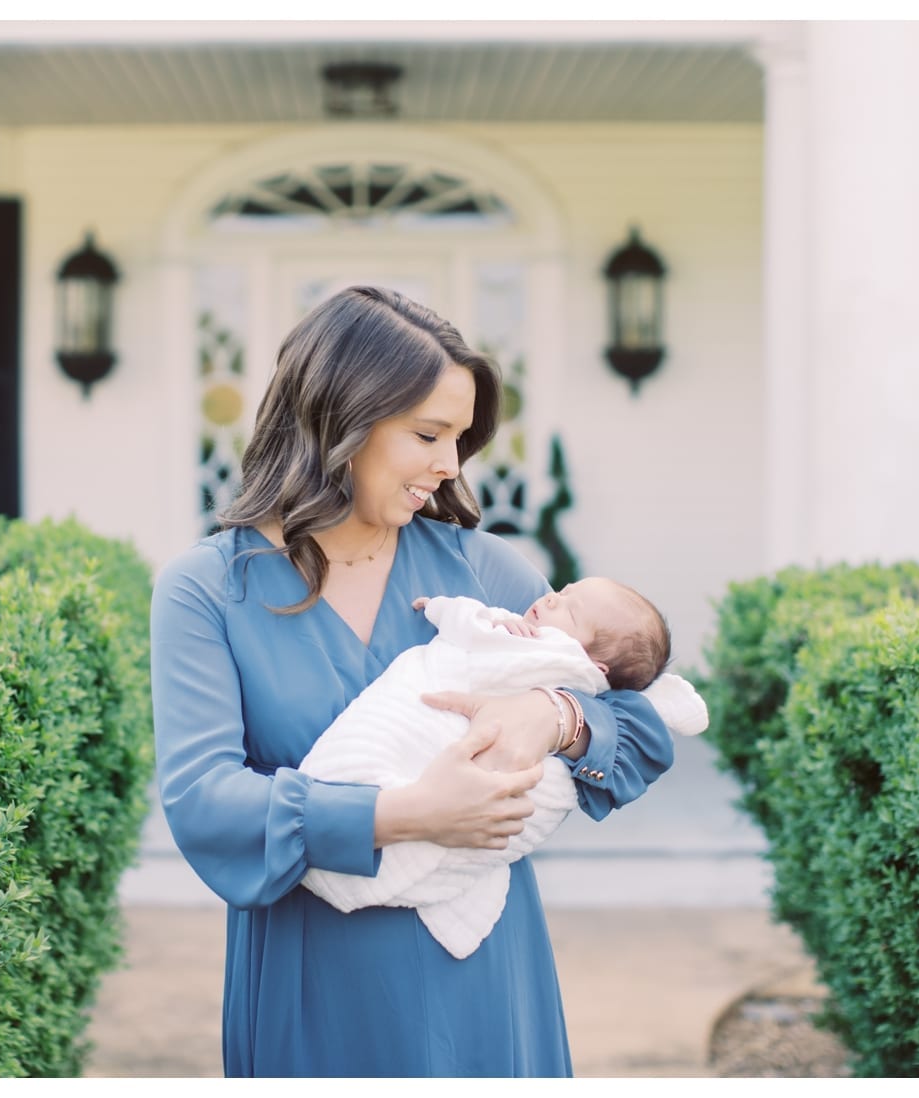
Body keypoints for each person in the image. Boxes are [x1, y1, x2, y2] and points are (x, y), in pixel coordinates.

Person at [150, 285, 675, 1078]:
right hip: (313, 983)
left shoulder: (486, 568)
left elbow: (637, 723)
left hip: (486, 976)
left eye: (461, 439)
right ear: (338, 418)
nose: (451, 465)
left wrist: (553, 715)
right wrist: (403, 813)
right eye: (428, 434)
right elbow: (204, 800)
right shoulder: (204, 591)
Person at [296, 581, 708, 960]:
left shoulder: (541, 643)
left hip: (474, 795)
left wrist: (559, 713)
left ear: (596, 668)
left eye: (570, 610)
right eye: (561, 592)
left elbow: (638, 740)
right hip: (314, 915)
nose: (551, 598)